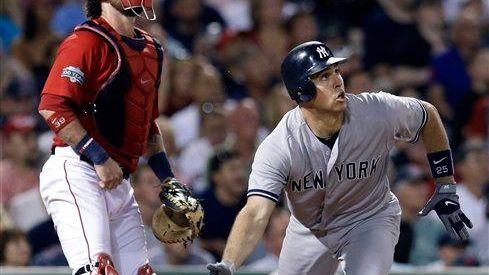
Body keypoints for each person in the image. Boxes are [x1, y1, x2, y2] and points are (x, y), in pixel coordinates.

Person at [207, 41, 473, 275]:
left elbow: (427, 115)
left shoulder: (376, 111)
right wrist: (230, 263)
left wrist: (445, 182)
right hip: (310, 230)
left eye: (336, 71)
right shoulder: (280, 145)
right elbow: (256, 211)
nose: (337, 80)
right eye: (323, 76)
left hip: (370, 217)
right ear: (302, 92)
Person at [37, 1, 186, 274]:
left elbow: (146, 124)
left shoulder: (153, 50)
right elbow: (52, 106)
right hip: (79, 169)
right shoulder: (86, 40)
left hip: (118, 180)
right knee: (98, 270)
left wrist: (168, 178)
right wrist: (98, 156)